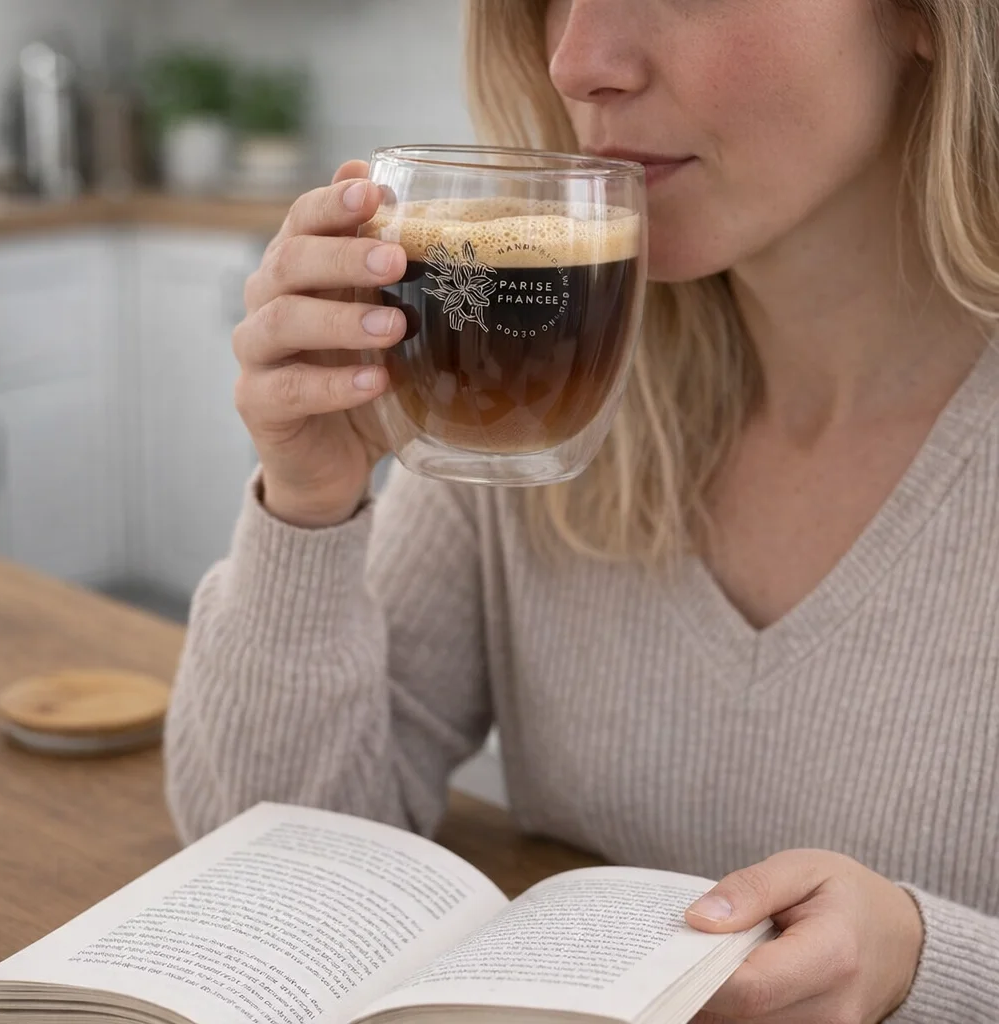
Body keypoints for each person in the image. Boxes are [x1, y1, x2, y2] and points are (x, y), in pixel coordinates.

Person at [164, 1, 999, 1021]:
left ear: (924, 19)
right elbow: (273, 864)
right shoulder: (530, 378)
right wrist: (309, 502)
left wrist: (928, 967)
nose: (575, 60)